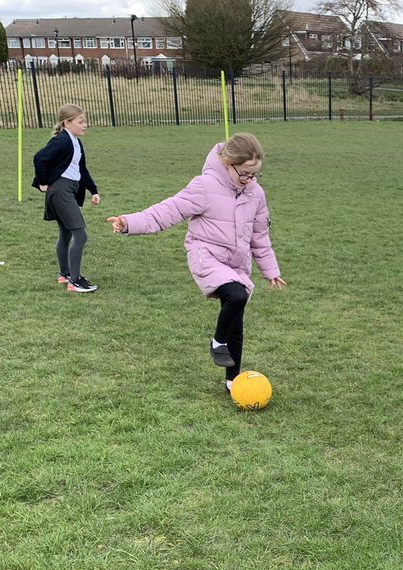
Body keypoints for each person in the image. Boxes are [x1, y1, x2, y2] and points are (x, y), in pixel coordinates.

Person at [106, 133, 286, 393]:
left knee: (236, 318)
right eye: (244, 173)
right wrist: (128, 222)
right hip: (206, 256)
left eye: (254, 174)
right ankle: (217, 341)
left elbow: (259, 235)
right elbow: (167, 211)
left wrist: (270, 270)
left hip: (237, 263)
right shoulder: (205, 186)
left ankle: (232, 382)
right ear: (227, 163)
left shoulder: (255, 193)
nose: (249, 180)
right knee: (236, 295)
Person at [32, 103, 101, 293]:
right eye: (81, 121)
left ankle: (64, 274)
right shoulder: (62, 140)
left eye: (85, 121)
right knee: (81, 235)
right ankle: (75, 280)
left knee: (66, 233)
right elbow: (39, 158)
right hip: (60, 192)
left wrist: (93, 191)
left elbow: (81, 169)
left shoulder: (75, 142)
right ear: (67, 123)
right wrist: (42, 181)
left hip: (67, 191)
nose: (85, 125)